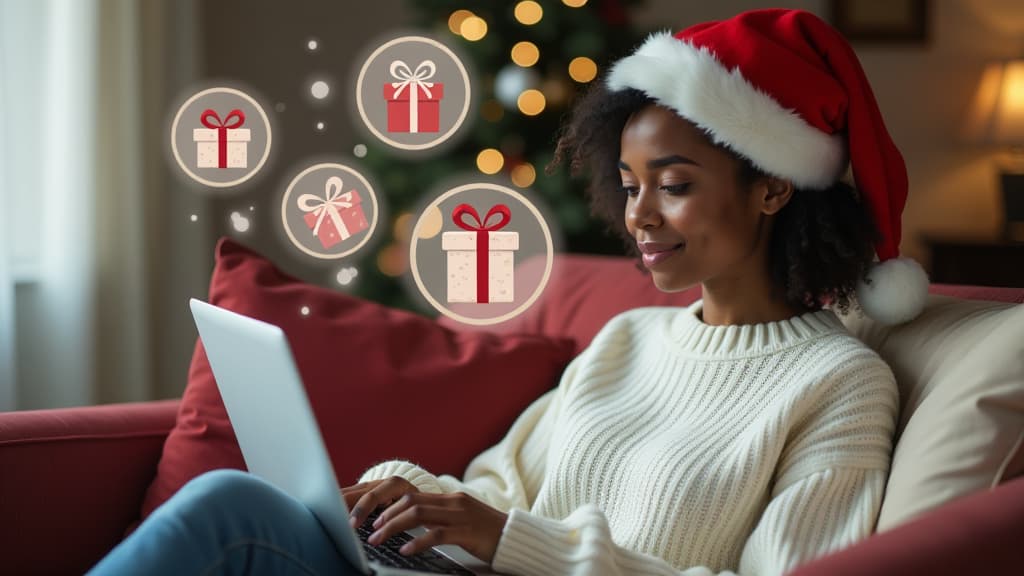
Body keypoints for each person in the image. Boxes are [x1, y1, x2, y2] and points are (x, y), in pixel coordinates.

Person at [89, 8, 930, 576]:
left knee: (230, 507)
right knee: (233, 500)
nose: (638, 216)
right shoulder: (630, 340)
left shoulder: (840, 384)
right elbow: (495, 488)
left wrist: (513, 540)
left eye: (672, 185)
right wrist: (400, 493)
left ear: (774, 187)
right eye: (629, 185)